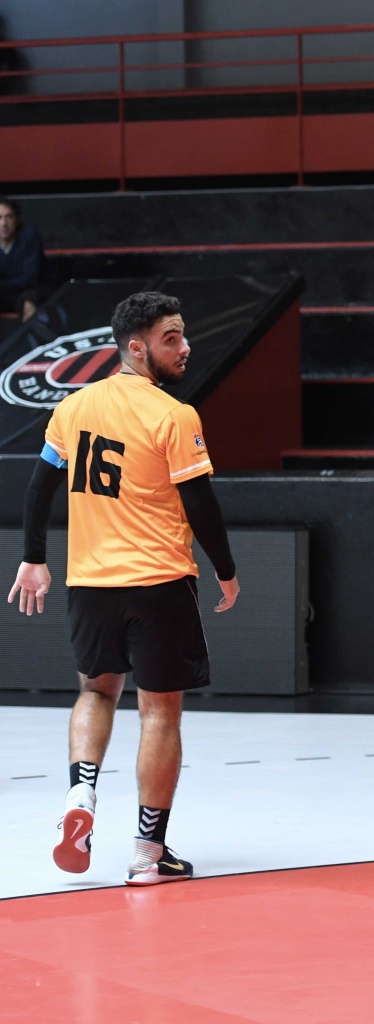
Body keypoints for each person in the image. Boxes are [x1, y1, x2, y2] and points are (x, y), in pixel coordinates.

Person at [8, 291, 241, 886]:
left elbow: (38, 486)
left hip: (91, 583)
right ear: (137, 348)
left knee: (95, 691)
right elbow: (201, 504)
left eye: (183, 334)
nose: (185, 348)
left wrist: (33, 559)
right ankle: (147, 852)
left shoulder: (74, 406)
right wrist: (226, 568)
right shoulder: (174, 414)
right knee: (160, 712)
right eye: (171, 339)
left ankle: (80, 796)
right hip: (158, 581)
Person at [0, 197, 44, 310]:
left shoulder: (29, 235)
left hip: (25, 291)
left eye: (9, 217)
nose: (4, 223)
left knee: (29, 303)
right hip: (3, 292)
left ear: (17, 220)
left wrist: (3, 285)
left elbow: (30, 278)